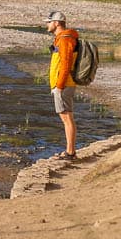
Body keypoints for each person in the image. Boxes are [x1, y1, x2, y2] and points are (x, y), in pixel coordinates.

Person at [44, 10, 78, 159]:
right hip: (64, 84)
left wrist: (59, 86)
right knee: (67, 117)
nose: (47, 24)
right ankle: (70, 151)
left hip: (64, 85)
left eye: (49, 22)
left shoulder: (65, 40)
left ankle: (70, 152)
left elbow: (65, 64)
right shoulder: (63, 38)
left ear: (56, 23)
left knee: (66, 119)